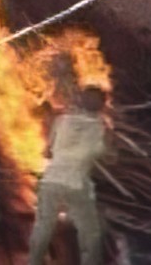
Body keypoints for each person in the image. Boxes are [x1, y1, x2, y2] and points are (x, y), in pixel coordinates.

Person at [27, 83, 111, 265]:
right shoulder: (101, 128)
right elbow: (108, 157)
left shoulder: (61, 120)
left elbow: (47, 152)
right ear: (102, 106)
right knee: (90, 232)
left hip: (50, 181)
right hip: (76, 185)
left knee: (43, 226)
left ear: (80, 101)